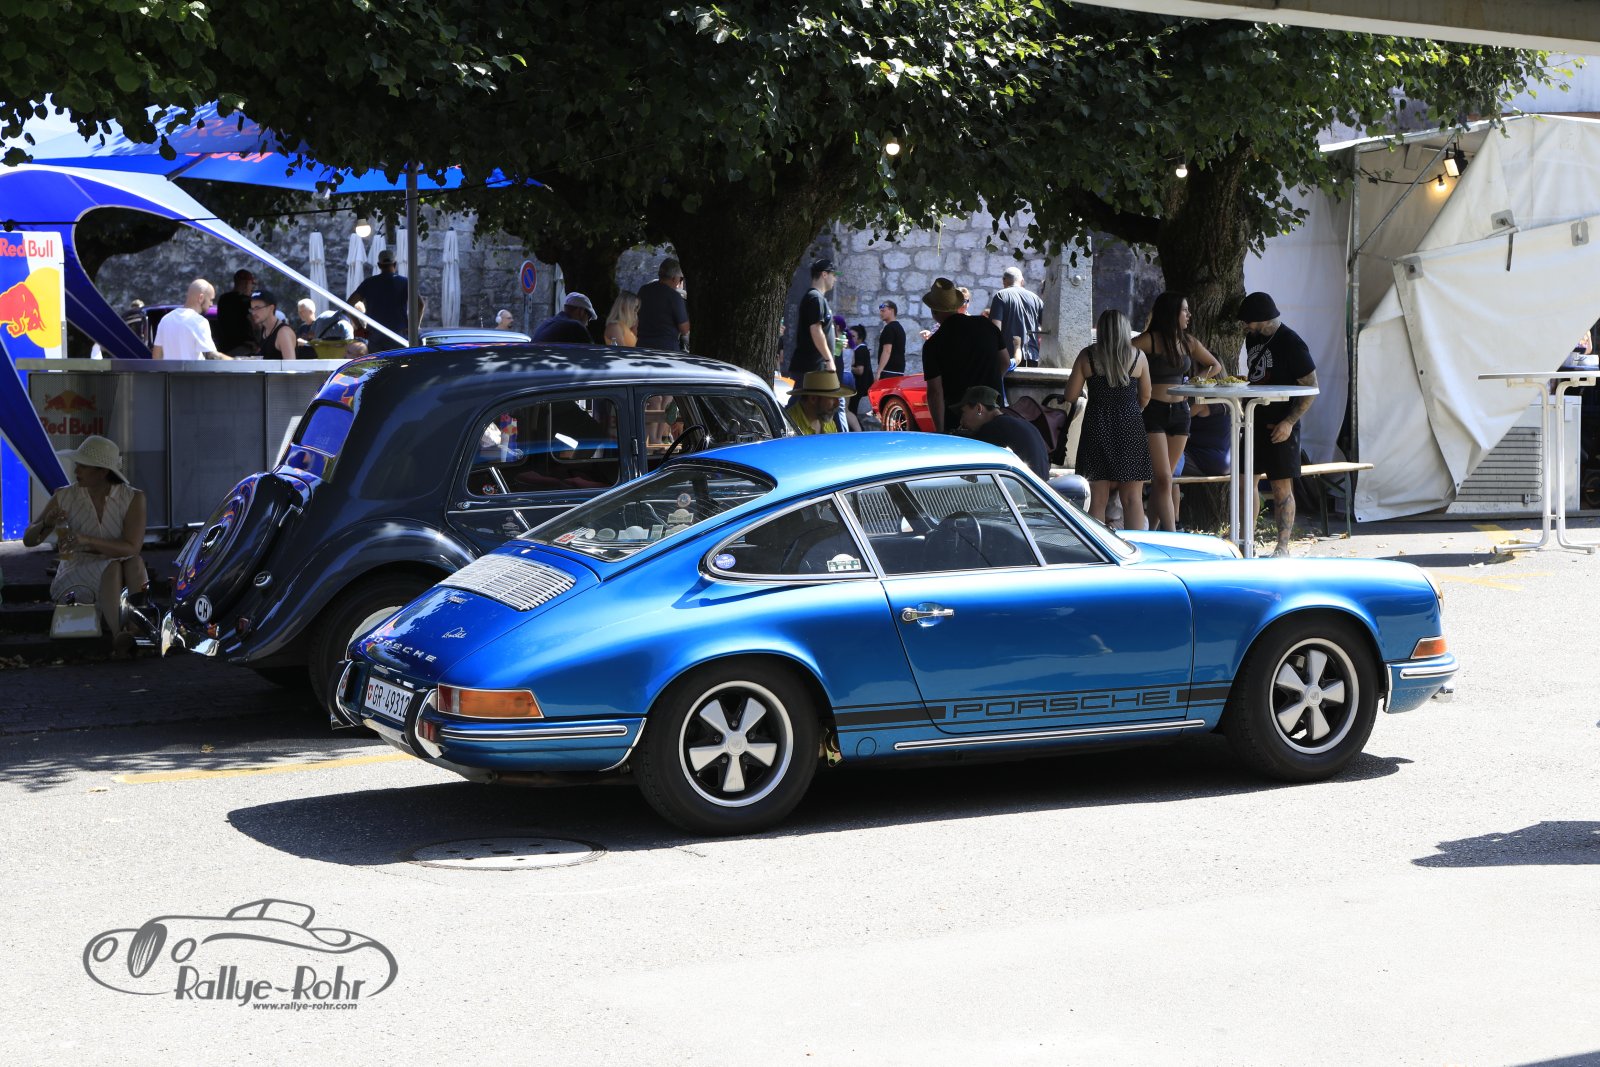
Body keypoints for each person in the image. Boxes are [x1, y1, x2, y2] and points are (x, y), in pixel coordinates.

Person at [21, 436, 151, 658]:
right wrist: (47, 523)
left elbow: (132, 548)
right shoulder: (64, 495)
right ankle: (121, 634)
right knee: (113, 567)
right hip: (77, 568)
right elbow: (29, 540)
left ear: (102, 472)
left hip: (121, 566)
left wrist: (88, 540)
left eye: (83, 465)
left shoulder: (132, 497)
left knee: (134, 562)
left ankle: (132, 630)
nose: (76, 470)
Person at [1132, 292, 1223, 531]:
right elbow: (1122, 356)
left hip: (1181, 413)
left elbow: (1214, 365)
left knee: (1166, 479)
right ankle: (1172, 534)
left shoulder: (1188, 342)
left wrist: (1193, 383)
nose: (1189, 315)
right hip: (1153, 412)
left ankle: (1153, 533)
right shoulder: (1148, 340)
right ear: (1172, 313)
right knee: (1163, 478)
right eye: (1184, 310)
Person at [1239, 291, 1317, 557]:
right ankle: (1245, 542)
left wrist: (1289, 422)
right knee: (1244, 482)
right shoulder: (1253, 338)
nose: (1245, 326)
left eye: (1248, 321)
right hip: (1254, 421)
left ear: (1261, 318)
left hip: (1281, 426)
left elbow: (1311, 387)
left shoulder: (1292, 343)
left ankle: (1282, 547)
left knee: (1281, 486)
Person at [1064, 309, 1152, 527]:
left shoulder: (1087, 356)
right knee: (1132, 499)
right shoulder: (1138, 357)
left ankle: (1098, 545)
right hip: (1130, 426)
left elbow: (1070, 396)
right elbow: (1146, 396)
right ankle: (1136, 544)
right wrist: (1133, 409)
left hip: (1097, 426)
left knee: (1097, 499)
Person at [920, 277, 1006, 432]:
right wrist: (988, 383)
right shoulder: (986, 325)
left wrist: (940, 430)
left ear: (934, 311)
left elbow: (935, 392)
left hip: (959, 420)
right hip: (994, 412)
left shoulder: (934, 344)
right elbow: (1005, 361)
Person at [957, 386, 1050, 479]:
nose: (961, 421)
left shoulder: (993, 428)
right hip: (1038, 485)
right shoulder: (1021, 423)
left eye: (963, 413)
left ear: (979, 408)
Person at [348, 249, 418, 352]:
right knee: (399, 361)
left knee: (378, 362)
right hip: (398, 334)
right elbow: (420, 304)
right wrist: (414, 326)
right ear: (395, 264)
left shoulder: (369, 283)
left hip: (375, 334)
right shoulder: (405, 282)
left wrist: (359, 327)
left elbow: (349, 304)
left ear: (379, 265)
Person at [151, 279, 229, 361]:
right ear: (201, 298)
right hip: (193, 370)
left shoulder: (165, 320)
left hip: (169, 370)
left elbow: (156, 356)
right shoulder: (199, 322)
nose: (211, 304)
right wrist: (235, 360)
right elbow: (212, 356)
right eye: (211, 300)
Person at [988, 266, 1046, 368]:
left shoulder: (1000, 296)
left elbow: (995, 330)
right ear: (1022, 281)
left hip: (1007, 358)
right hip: (1032, 356)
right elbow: (1047, 327)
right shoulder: (1036, 299)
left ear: (1004, 281)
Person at [791, 259, 838, 376]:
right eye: (833, 275)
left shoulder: (818, 298)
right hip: (811, 369)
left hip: (816, 369)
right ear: (824, 274)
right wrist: (829, 359)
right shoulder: (815, 297)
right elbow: (816, 330)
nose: (835, 279)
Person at [636, 257, 690, 350]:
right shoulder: (674, 296)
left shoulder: (643, 290)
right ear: (674, 278)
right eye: (680, 278)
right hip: (666, 349)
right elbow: (684, 329)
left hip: (642, 346)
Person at [783, 370, 854, 435]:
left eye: (838, 398)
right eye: (832, 398)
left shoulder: (827, 421)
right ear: (813, 399)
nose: (837, 404)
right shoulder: (788, 425)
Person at [213, 268, 257, 357]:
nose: (252, 287)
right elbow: (255, 323)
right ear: (246, 283)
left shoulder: (223, 299)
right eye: (251, 284)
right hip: (244, 347)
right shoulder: (248, 302)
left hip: (224, 347)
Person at [531, 293, 598, 343]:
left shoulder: (547, 323)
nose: (587, 324)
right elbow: (591, 353)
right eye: (588, 317)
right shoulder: (575, 326)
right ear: (581, 311)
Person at [250, 289, 297, 360]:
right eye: (252, 309)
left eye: (257, 308)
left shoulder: (283, 333)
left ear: (271, 308)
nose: (253, 313)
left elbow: (291, 365)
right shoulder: (264, 329)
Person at [847, 324, 874, 418]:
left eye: (853, 336)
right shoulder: (860, 349)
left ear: (860, 338)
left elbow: (859, 370)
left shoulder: (860, 350)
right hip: (861, 384)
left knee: (851, 410)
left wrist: (846, 367)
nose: (850, 339)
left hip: (859, 385)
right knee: (851, 409)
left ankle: (857, 427)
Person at [876, 300, 906, 379]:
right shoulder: (900, 328)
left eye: (883, 311)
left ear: (891, 310)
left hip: (888, 371)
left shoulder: (889, 328)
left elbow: (887, 350)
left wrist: (879, 371)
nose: (880, 313)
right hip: (899, 371)